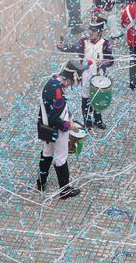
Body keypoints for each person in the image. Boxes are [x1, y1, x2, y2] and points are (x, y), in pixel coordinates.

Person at [36, 59, 84, 199]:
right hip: (56, 131)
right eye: (73, 82)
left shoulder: (52, 82)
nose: (71, 85)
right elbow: (55, 119)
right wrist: (69, 125)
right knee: (61, 157)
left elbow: (53, 110)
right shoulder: (58, 90)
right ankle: (65, 190)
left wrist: (69, 116)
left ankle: (41, 182)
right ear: (71, 78)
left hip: (45, 127)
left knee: (47, 152)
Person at [79, 20, 113, 130]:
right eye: (90, 30)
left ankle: (98, 119)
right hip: (86, 74)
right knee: (86, 97)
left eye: (93, 31)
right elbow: (72, 48)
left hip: (99, 75)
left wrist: (103, 62)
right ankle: (87, 120)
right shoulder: (83, 42)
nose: (91, 33)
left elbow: (111, 60)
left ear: (99, 32)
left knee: (97, 96)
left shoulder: (105, 43)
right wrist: (62, 46)